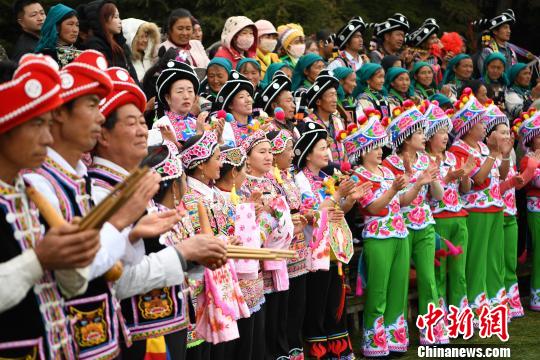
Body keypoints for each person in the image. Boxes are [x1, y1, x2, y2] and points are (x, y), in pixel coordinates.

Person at [23, 50, 157, 359]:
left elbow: (119, 265)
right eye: (92, 105)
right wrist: (121, 222)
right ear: (60, 116)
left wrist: (132, 232)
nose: (99, 116)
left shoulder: (76, 179)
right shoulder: (40, 183)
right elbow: (78, 272)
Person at [0, 53, 100, 359]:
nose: (47, 137)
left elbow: (72, 288)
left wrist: (72, 255)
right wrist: (39, 259)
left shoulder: (27, 192)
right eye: (37, 124)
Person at [342, 110, 409, 356]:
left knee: (397, 288)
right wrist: (392, 190)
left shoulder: (388, 172)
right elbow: (372, 208)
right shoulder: (359, 176)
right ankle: (374, 342)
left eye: (381, 146)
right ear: (363, 151)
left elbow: (403, 202)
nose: (380, 151)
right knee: (378, 291)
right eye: (375, 147)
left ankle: (394, 337)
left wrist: (418, 183)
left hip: (400, 234)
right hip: (378, 236)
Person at [180, 131, 250, 358]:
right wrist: (222, 241)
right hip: (199, 283)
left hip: (220, 280)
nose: (221, 163)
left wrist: (232, 238)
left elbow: (228, 229)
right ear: (201, 165)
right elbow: (194, 241)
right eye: (217, 158)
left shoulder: (215, 195)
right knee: (201, 350)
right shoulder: (188, 198)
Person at [382, 101, 447, 344]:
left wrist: (432, 177)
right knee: (398, 280)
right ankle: (394, 334)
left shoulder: (426, 160)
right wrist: (417, 181)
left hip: (426, 224)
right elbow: (400, 202)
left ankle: (432, 331)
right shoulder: (390, 165)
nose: (424, 136)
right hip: (401, 227)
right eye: (419, 132)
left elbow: (438, 196)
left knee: (428, 278)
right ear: (407, 138)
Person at [293, 121, 357, 359]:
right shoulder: (300, 180)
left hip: (332, 248)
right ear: (308, 153)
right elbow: (314, 213)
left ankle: (338, 349)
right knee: (317, 305)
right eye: (322, 148)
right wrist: (339, 195)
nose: (327, 153)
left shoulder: (325, 177)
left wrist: (349, 200)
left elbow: (336, 212)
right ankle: (320, 352)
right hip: (313, 251)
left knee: (335, 303)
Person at [449, 88, 512, 317]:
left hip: (495, 206)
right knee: (476, 259)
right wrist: (493, 154)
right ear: (468, 125)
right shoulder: (459, 149)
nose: (484, 127)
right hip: (476, 208)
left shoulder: (484, 147)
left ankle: (495, 301)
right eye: (480, 123)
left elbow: (502, 175)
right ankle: (477, 305)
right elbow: (477, 179)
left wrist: (503, 154)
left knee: (494, 257)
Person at [240, 130, 294, 360]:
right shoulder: (242, 187)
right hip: (258, 260)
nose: (269, 156)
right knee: (264, 315)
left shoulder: (274, 183)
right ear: (248, 159)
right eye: (262, 152)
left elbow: (286, 212)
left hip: (278, 254)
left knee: (280, 310)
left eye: (270, 151)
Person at [214, 145, 266, 360]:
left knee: (252, 343)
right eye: (244, 168)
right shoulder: (215, 199)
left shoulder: (241, 198)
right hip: (234, 284)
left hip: (252, 282)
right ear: (234, 172)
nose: (246, 173)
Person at [424, 101, 473, 312]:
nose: (445, 136)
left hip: (459, 216)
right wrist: (448, 177)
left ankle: (460, 316)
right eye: (440, 132)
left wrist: (464, 175)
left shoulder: (452, 157)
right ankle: (441, 318)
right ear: (429, 136)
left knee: (459, 270)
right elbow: (428, 195)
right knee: (439, 272)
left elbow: (465, 190)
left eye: (446, 131)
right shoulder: (424, 160)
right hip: (438, 218)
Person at [267, 129, 308, 359]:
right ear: (275, 153)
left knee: (297, 306)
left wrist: (307, 214)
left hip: (299, 246)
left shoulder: (288, 176)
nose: (293, 154)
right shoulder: (269, 180)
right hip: (283, 248)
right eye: (288, 149)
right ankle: (282, 351)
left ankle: (295, 349)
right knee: (283, 306)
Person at [515, 110, 540, 311]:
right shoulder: (527, 159)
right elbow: (532, 181)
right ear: (531, 139)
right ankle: (536, 295)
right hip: (536, 209)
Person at [83, 0, 139, 82]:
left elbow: (132, 74)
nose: (120, 21)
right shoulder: (95, 45)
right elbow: (109, 75)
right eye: (116, 17)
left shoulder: (121, 44)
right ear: (103, 20)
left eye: (119, 17)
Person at [152, 60, 206, 143]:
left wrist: (219, 138)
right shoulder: (161, 125)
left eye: (190, 91)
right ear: (168, 98)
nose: (186, 96)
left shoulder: (197, 123)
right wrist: (199, 134)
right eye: (180, 91)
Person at [305, 70, 348, 168]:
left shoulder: (338, 121)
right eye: (331, 95)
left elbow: (344, 148)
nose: (335, 100)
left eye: (336, 95)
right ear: (319, 101)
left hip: (342, 175)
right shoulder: (308, 123)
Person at [213, 70, 255, 146]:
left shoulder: (257, 124)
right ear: (230, 105)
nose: (248, 100)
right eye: (241, 97)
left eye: (248, 96)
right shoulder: (224, 128)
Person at [257, 71, 298, 137]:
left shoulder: (292, 127)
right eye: (288, 101)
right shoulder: (268, 128)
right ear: (274, 106)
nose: (293, 106)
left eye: (292, 101)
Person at [475, 9, 517, 74]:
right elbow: (484, 74)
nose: (509, 31)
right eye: (505, 28)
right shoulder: (488, 51)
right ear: (495, 31)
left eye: (509, 28)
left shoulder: (512, 52)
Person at [122, 18, 160, 83]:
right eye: (141, 37)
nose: (145, 40)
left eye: (146, 36)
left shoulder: (150, 59)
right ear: (131, 39)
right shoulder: (125, 61)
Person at [406, 18, 442, 82]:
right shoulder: (412, 57)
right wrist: (408, 65)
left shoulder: (436, 58)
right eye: (432, 38)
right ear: (423, 42)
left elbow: (439, 82)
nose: (436, 41)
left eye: (436, 38)